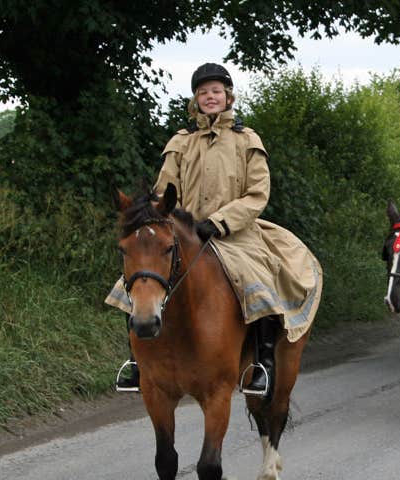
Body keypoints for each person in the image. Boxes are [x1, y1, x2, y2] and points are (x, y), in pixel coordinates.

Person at [107, 63, 322, 397]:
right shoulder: (180, 142)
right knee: (134, 281)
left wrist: (220, 222)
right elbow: (163, 191)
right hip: (183, 232)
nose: (210, 97)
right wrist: (168, 219)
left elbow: (257, 194)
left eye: (216, 91)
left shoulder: (246, 139)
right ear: (196, 99)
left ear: (228, 97)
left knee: (259, 281)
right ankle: (136, 362)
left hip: (236, 233)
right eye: (204, 92)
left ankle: (261, 362)